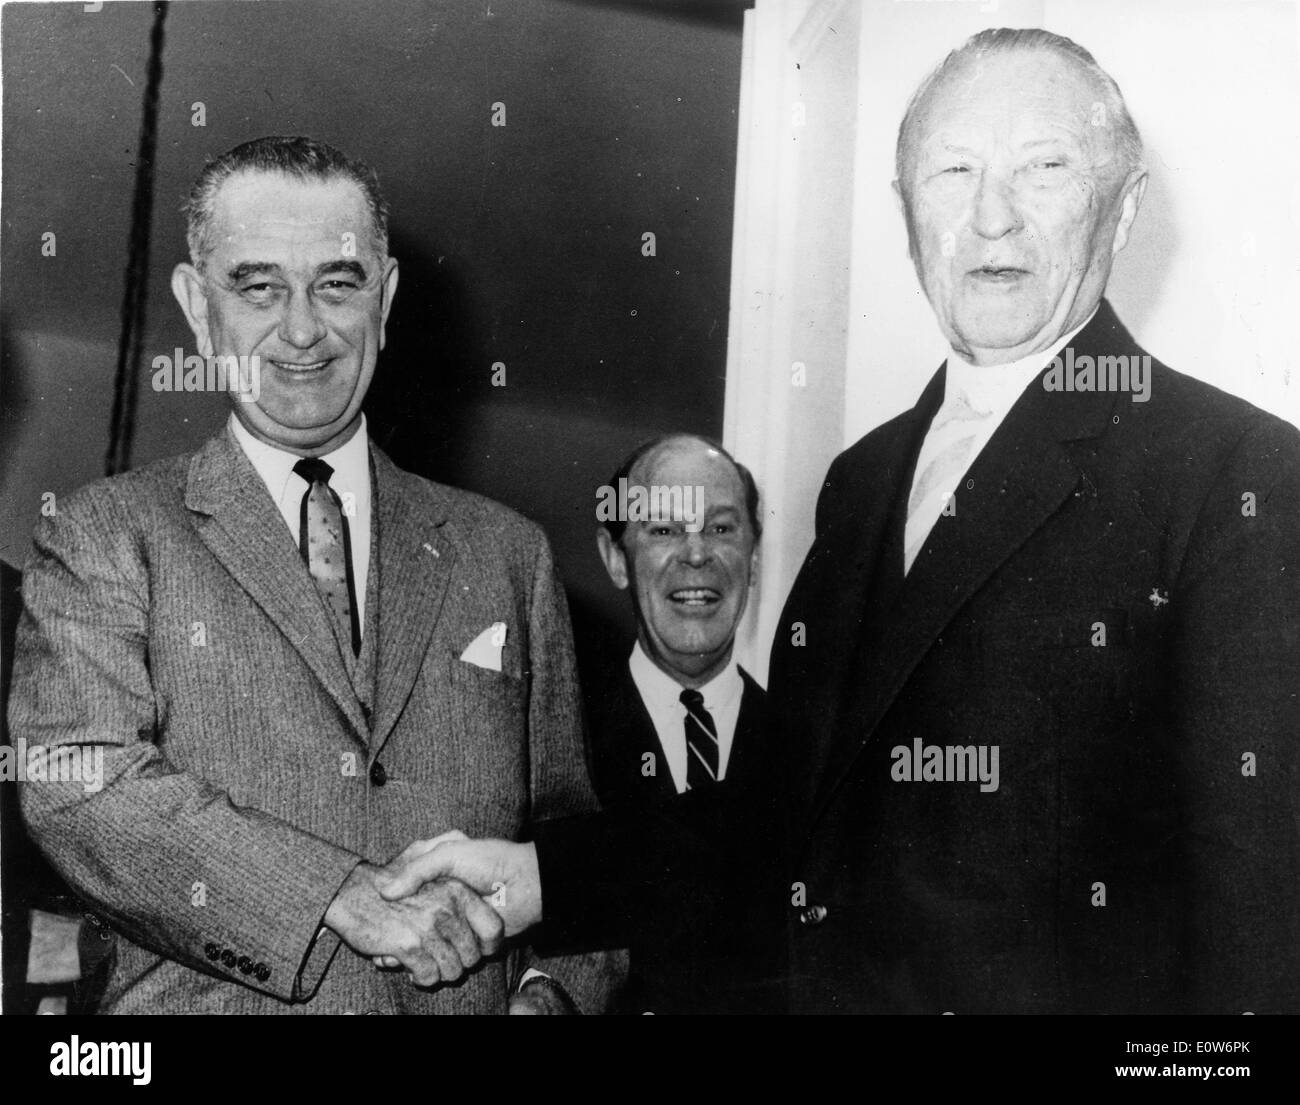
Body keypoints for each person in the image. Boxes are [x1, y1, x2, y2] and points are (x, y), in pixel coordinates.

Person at [381, 28, 1300, 1014]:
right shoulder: (864, 480)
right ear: (906, 220)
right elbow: (781, 815)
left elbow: (1259, 905)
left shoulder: (1235, 472)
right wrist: (536, 878)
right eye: (953, 172)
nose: (991, 217)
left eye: (1043, 168)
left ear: (1119, 210)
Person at [8, 135, 618, 1014]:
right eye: (256, 285)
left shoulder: (507, 553)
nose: (301, 328)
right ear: (195, 305)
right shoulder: (105, 535)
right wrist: (338, 894)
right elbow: (79, 785)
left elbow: (574, 836)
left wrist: (555, 992)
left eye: (337, 282)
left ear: (386, 297)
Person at [585, 433, 770, 1013]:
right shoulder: (561, 741)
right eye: (664, 531)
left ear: (755, 557)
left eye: (721, 528)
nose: (697, 555)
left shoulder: (815, 750)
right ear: (617, 558)